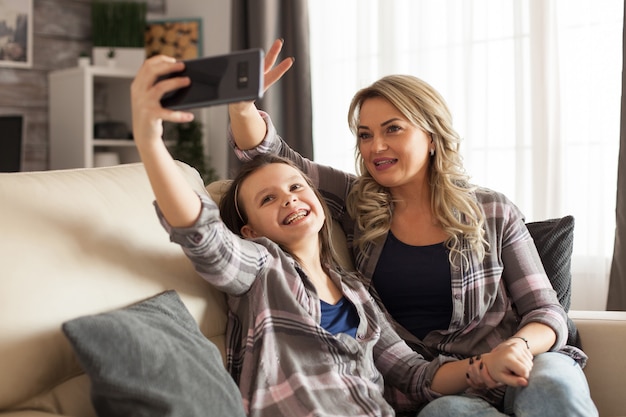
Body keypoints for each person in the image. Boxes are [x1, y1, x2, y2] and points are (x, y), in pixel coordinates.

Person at [129, 54, 532, 417]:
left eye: (296, 188)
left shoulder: (359, 295)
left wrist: (487, 365)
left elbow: (413, 374)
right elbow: (203, 233)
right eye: (269, 198)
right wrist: (152, 138)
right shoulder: (261, 269)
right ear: (249, 231)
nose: (289, 200)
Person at [227, 39, 598, 417]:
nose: (376, 147)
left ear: (432, 136)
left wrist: (516, 348)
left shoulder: (492, 210)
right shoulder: (355, 200)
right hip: (441, 387)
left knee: (552, 386)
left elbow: (546, 312)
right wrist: (242, 108)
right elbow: (274, 159)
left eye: (393, 129)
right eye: (366, 134)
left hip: (525, 362)